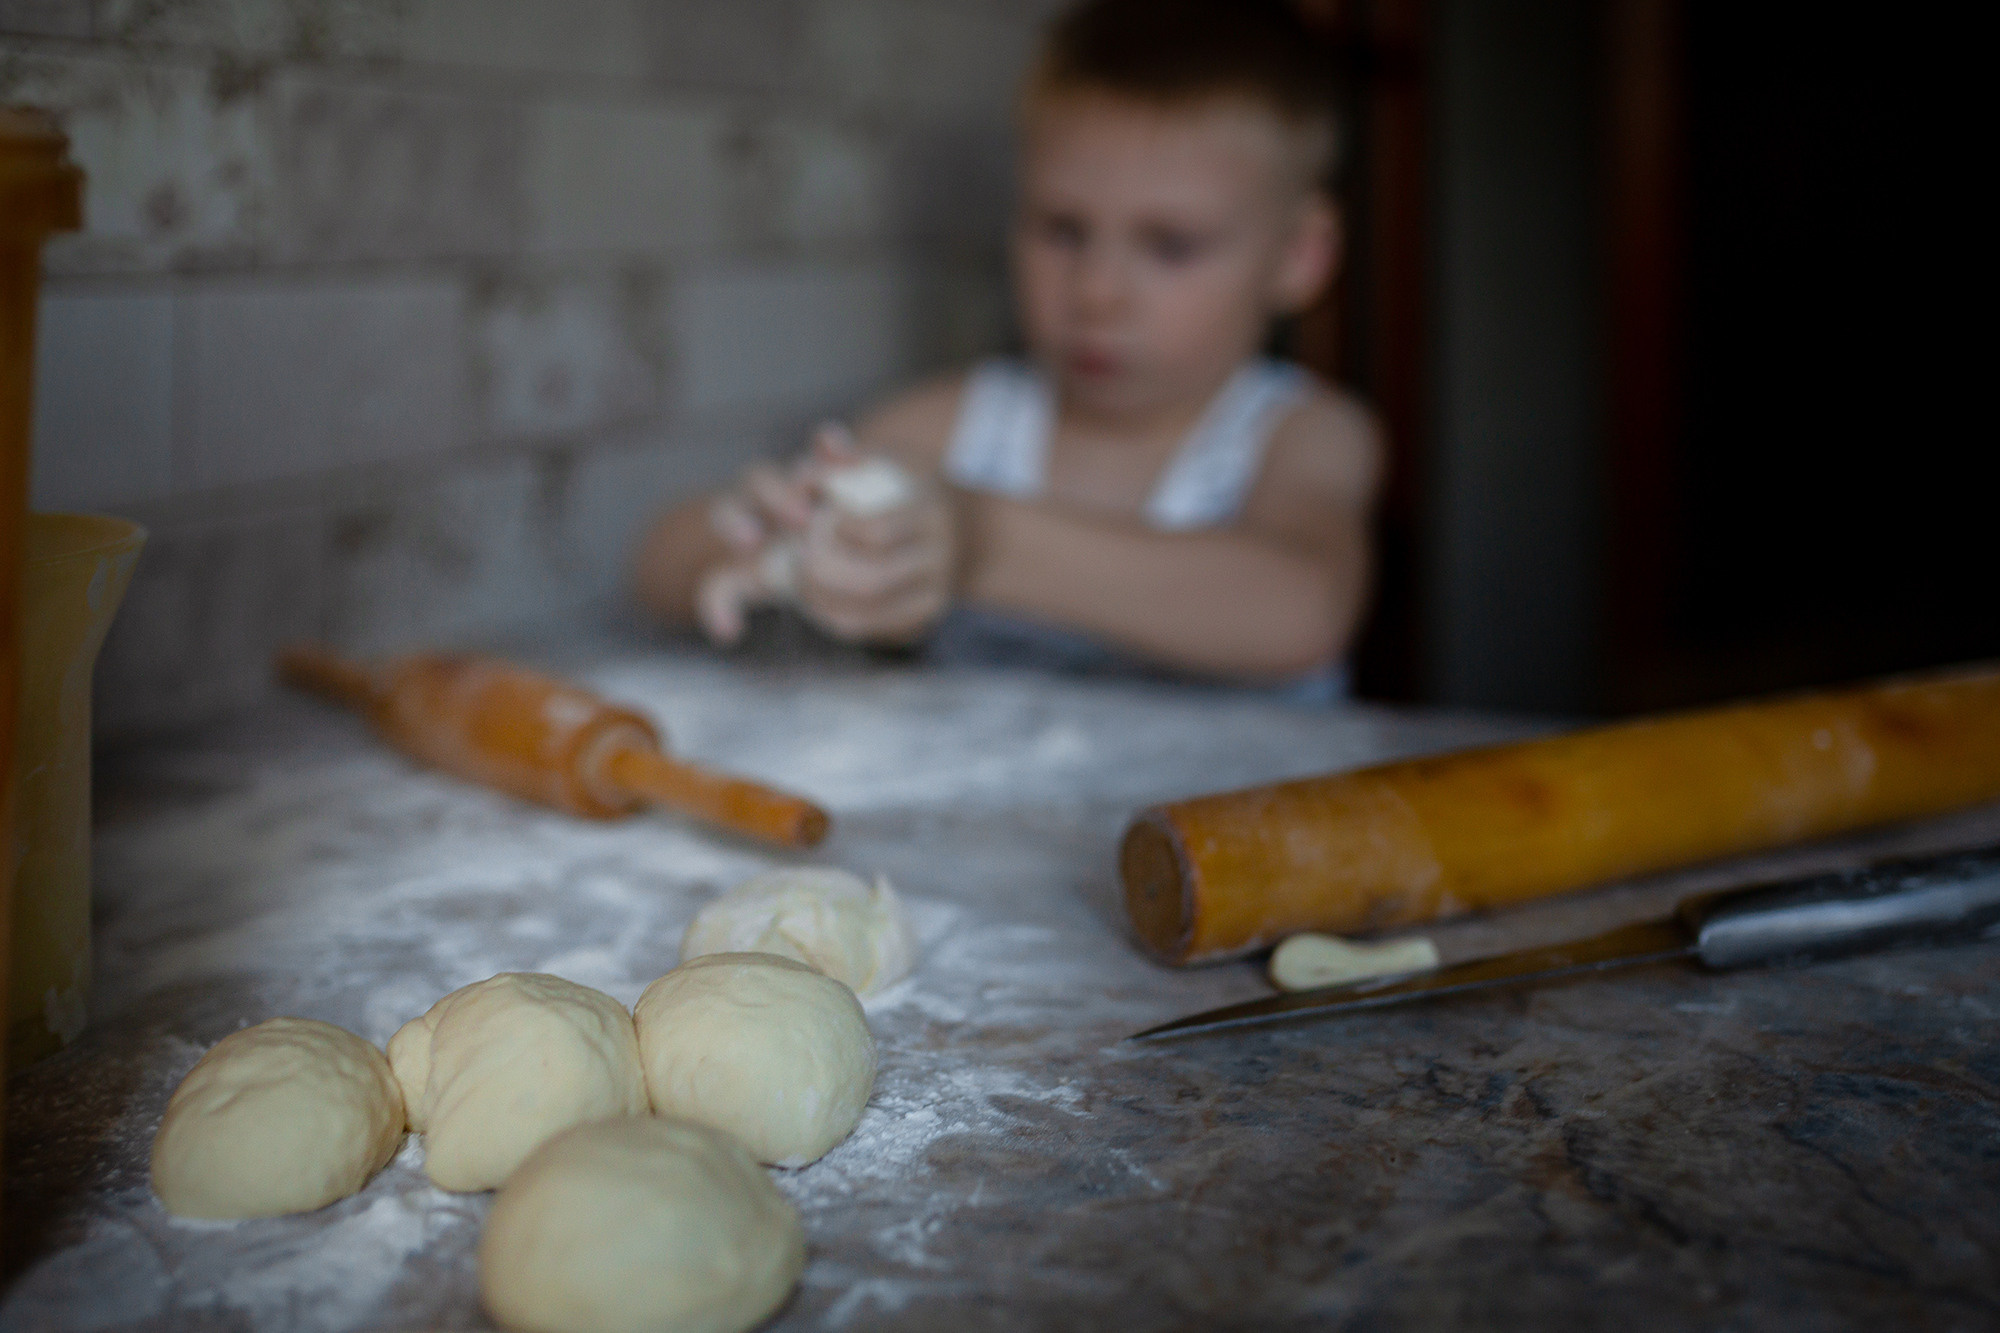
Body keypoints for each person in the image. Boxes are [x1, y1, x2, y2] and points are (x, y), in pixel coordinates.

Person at [635, 0, 1381, 701]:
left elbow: (1301, 609)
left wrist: (978, 541)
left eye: (1171, 245)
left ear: (1300, 256)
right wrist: (780, 546)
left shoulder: (1307, 434)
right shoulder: (948, 424)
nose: (1096, 291)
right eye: (1062, 230)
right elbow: (658, 565)